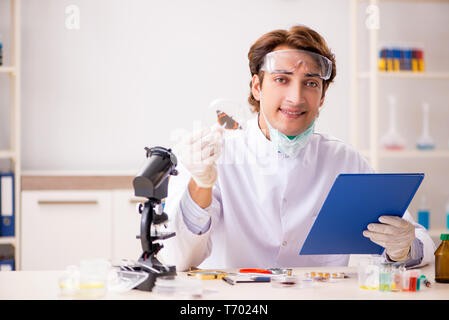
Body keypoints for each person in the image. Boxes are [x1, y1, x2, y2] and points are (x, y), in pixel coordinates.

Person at [160, 25, 435, 271]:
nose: (296, 97)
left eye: (311, 83)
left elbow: (419, 241)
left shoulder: (344, 160)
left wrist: (403, 247)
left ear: (322, 97)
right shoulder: (211, 158)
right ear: (257, 86)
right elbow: (178, 258)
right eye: (282, 79)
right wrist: (201, 185)